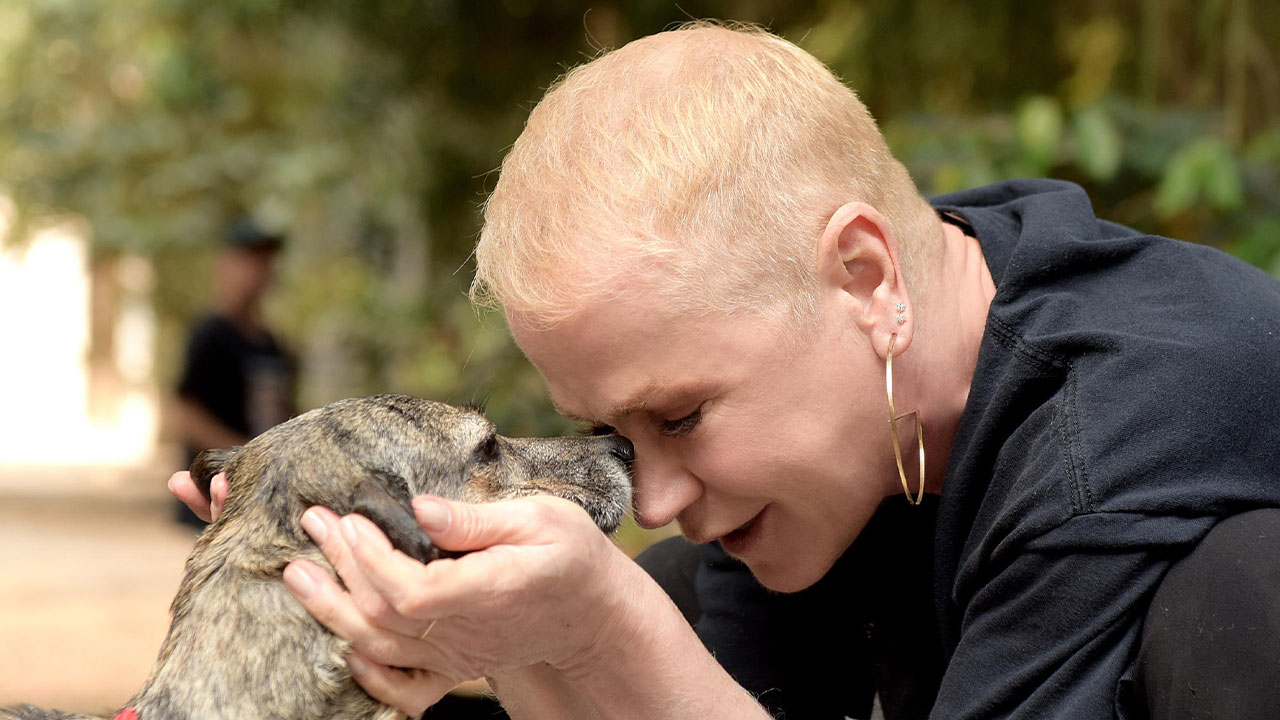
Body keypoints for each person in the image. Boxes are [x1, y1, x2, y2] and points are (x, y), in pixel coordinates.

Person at [170, 22, 1280, 719]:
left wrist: (600, 631)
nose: (650, 497)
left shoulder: (1114, 425)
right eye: (617, 435)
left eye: (683, 416)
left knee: (1240, 593)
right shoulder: (878, 382)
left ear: (864, 274)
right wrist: (494, 636)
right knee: (674, 597)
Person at [171, 218, 295, 527]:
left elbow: (283, 410)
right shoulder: (211, 335)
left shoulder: (273, 344)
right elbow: (184, 412)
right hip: (215, 490)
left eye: (266, 261)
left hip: (263, 491)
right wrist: (241, 453)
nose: (259, 270)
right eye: (249, 259)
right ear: (225, 264)